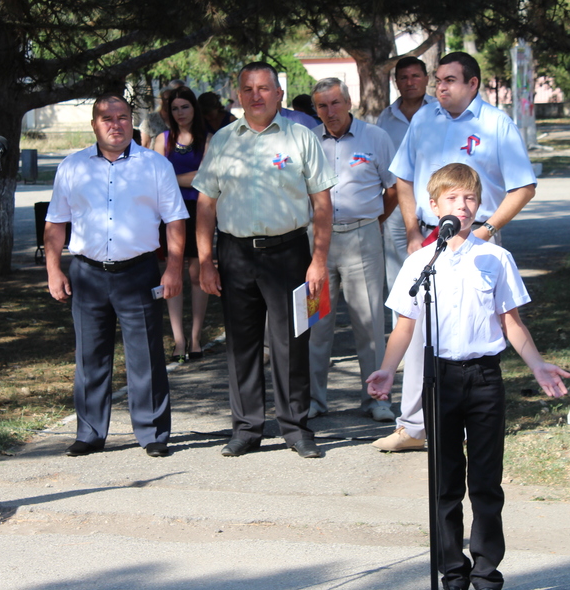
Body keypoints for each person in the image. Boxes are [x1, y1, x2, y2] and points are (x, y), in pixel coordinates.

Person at [366, 163, 569, 590]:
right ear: (434, 206)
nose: (462, 206)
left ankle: (485, 571)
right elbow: (404, 325)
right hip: (439, 379)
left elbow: (511, 322)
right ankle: (451, 571)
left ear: (480, 207)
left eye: (470, 199)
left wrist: (537, 364)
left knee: (485, 479)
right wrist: (387, 370)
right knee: (444, 481)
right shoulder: (421, 263)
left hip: (484, 378)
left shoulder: (495, 259)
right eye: (453, 199)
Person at [377, 50, 537, 452]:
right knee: (416, 327)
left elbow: (524, 187)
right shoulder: (423, 120)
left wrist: (486, 231)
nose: (440, 87)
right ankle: (414, 425)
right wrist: (414, 229)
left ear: (472, 84)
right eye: (438, 81)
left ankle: (465, 421)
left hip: (478, 238)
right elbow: (404, 177)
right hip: (429, 237)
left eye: (449, 80)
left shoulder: (496, 124)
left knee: (470, 327)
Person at [193, 61, 336, 459]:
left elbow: (322, 202)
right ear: (239, 96)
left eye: (264, 88)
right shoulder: (222, 140)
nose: (256, 95)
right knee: (241, 344)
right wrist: (206, 260)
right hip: (235, 254)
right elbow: (205, 203)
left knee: (294, 342)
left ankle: (296, 427)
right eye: (248, 89)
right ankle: (246, 428)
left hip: (291, 253)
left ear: (279, 95)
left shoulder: (301, 137)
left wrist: (319, 260)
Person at [45, 95, 188, 458]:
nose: (115, 124)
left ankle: (153, 432)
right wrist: (53, 269)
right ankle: (90, 432)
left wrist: (173, 268)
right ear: (94, 124)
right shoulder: (72, 166)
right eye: (106, 118)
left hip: (137, 271)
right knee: (90, 358)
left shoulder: (155, 166)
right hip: (87, 275)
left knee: (147, 357)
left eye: (122, 117)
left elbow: (175, 219)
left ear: (132, 122)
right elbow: (55, 223)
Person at [307, 78, 397, 422]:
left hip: (363, 238)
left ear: (348, 102)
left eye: (334, 103)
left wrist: (374, 221)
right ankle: (315, 400)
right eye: (321, 106)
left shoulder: (376, 138)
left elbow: (391, 190)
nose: (329, 112)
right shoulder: (309, 140)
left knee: (369, 323)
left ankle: (376, 399)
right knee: (316, 322)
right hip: (318, 244)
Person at [153, 86, 210, 362]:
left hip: (199, 210)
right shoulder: (161, 140)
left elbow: (205, 178)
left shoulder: (207, 139)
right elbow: (153, 179)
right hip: (169, 213)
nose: (180, 113)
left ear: (193, 108)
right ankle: (178, 339)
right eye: (175, 108)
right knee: (172, 275)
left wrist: (171, 178)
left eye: (184, 107)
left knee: (198, 273)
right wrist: (183, 178)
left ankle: (196, 337)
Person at [376, 56, 436, 313]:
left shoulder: (439, 112)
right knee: (399, 273)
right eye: (404, 77)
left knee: (436, 268)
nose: (410, 82)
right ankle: (403, 332)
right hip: (398, 206)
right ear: (396, 82)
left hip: (436, 204)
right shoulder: (386, 119)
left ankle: (433, 332)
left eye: (415, 76)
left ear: (426, 79)